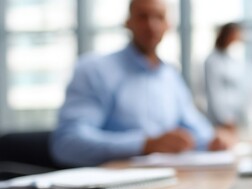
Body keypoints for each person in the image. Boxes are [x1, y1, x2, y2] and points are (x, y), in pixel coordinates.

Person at [50, 0, 230, 167]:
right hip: (114, 186)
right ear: (127, 22)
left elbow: (197, 131)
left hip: (169, 181)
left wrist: (216, 139)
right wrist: (143, 144)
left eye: (159, 17)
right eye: (143, 17)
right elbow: (67, 144)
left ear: (168, 25)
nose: (151, 26)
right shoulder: (94, 70)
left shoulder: (170, 76)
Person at [204, 22, 245, 128]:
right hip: (220, 119)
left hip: (235, 116)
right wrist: (224, 118)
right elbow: (214, 91)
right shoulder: (212, 61)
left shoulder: (232, 59)